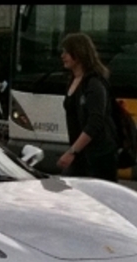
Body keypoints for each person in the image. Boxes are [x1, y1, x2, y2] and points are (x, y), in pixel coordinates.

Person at [57, 32, 118, 182]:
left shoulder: (94, 83)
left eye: (66, 52)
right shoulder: (73, 80)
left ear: (78, 53)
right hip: (82, 155)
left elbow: (95, 122)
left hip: (98, 157)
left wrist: (72, 151)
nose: (62, 56)